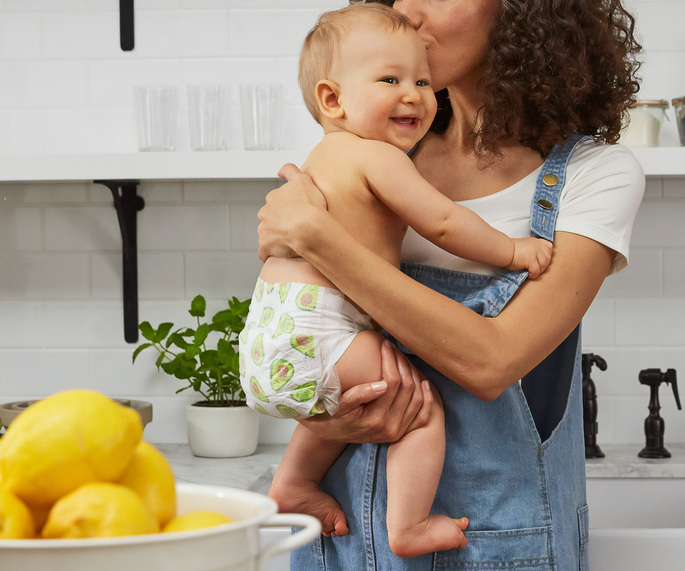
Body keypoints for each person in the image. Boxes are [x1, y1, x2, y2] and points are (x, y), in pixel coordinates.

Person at [257, 0, 645, 567]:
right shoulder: (379, 151)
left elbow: (491, 363)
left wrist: (321, 239)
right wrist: (329, 413)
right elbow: (307, 318)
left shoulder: (595, 176)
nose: (408, 12)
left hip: (487, 546)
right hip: (339, 540)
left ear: (523, 12)